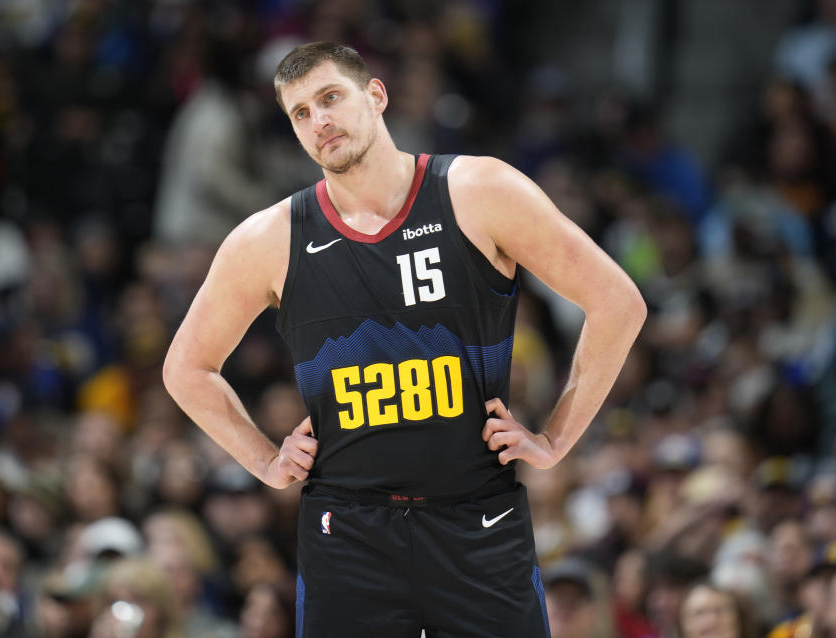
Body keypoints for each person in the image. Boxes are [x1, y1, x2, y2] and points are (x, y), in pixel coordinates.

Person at [163, 41, 646, 637]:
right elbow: (186, 369)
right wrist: (264, 460)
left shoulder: (478, 190)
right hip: (347, 534)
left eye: (330, 98)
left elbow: (618, 303)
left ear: (376, 95)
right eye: (300, 114)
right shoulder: (267, 239)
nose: (320, 122)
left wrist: (556, 438)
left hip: (478, 520)